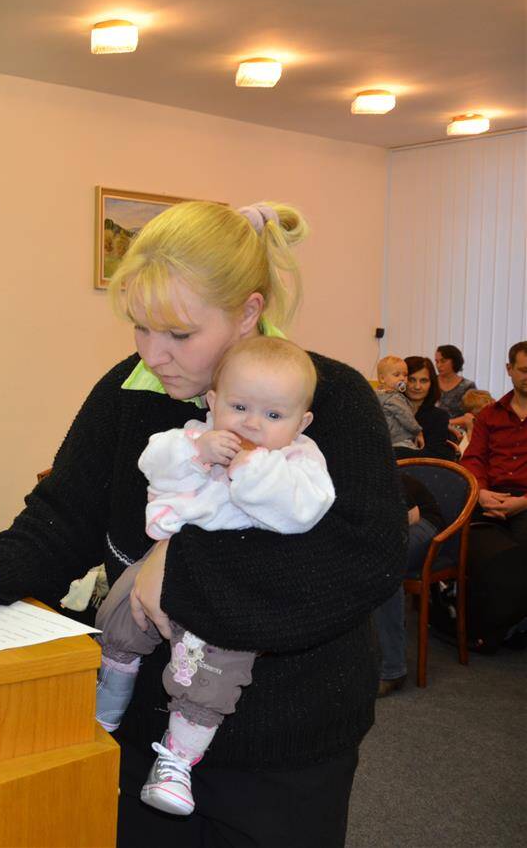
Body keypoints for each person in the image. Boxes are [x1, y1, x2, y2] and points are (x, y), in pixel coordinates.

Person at [0, 200, 404, 847]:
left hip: (282, 739)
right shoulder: (130, 389)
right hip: (140, 720)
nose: (156, 354)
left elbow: (361, 557)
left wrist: (179, 568)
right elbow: (64, 513)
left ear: (247, 313)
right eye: (141, 328)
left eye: (179, 334)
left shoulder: (327, 396)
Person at [94, 336, 335, 816]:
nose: (251, 423)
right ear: (213, 401)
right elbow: (154, 464)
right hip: (162, 560)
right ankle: (107, 702)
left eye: (273, 415)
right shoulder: (195, 435)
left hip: (230, 587)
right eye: (239, 407)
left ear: (302, 423)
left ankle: (177, 761)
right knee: (119, 616)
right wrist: (197, 453)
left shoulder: (299, 462)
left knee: (211, 674)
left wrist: (252, 469)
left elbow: (301, 513)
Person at [458, 340, 527, 651]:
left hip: (525, 501)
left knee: (519, 557)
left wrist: (522, 503)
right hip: (489, 498)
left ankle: (499, 629)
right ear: (509, 369)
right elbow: (474, 459)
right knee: (488, 556)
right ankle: (495, 627)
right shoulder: (489, 415)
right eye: (524, 370)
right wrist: (481, 492)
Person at [374, 474, 448, 696]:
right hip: (385, 525)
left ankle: (393, 669)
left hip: (423, 520)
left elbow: (412, 516)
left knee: (384, 565)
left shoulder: (371, 465)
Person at [404, 355, 455, 460]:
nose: (417, 386)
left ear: (432, 383)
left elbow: (435, 456)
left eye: (423, 381)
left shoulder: (439, 416)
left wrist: (396, 452)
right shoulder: (387, 411)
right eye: (411, 380)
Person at [375, 355, 423, 457]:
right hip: (400, 441)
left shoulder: (376, 396)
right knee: (418, 458)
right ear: (382, 378)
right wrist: (418, 432)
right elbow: (406, 417)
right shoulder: (394, 398)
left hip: (384, 442)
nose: (402, 378)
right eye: (396, 375)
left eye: (405, 375)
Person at [434, 343, 478, 433]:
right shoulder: (430, 382)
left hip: (458, 433)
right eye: (437, 361)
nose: (438, 365)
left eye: (443, 361)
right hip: (431, 430)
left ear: (455, 361)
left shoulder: (468, 386)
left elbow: (473, 415)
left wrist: (446, 423)